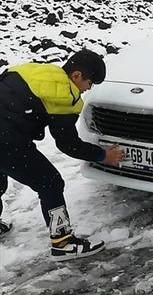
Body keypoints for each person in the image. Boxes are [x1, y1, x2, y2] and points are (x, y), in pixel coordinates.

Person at [0, 49, 124, 260]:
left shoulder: (39, 71)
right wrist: (103, 155)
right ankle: (63, 242)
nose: (88, 89)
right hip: (6, 140)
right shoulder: (64, 96)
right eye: (89, 83)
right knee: (50, 182)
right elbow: (69, 145)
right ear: (76, 76)